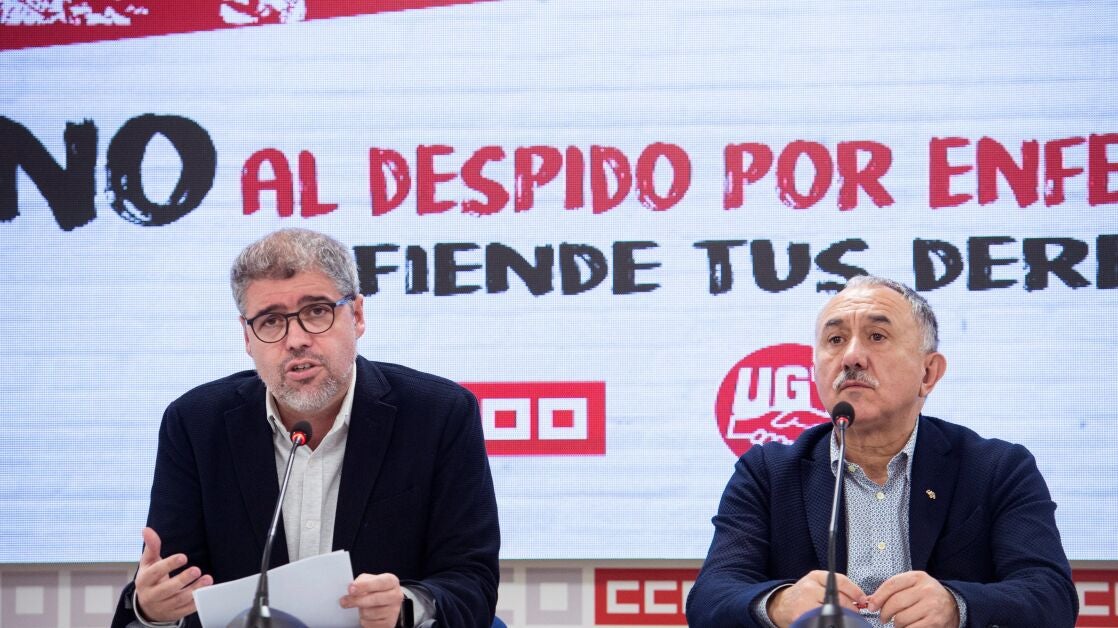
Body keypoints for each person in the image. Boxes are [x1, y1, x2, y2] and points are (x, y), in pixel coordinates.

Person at [111, 228, 500, 628]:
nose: (296, 340)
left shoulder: (439, 415)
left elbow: (472, 581)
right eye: (271, 321)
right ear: (247, 337)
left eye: (316, 312)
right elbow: (172, 583)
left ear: (357, 316)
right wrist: (151, 609)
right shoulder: (196, 424)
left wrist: (405, 606)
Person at [686, 275, 1077, 628]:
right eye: (835, 340)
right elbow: (710, 597)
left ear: (928, 373)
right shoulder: (768, 473)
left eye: (876, 336)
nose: (851, 357)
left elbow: (1051, 597)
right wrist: (778, 604)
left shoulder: (997, 469)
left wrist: (956, 605)